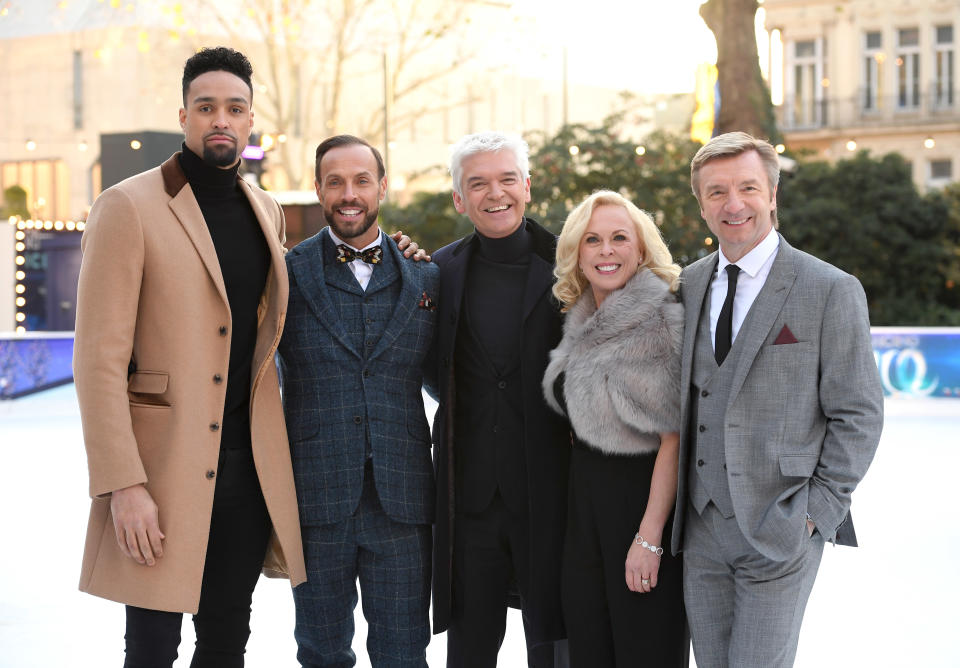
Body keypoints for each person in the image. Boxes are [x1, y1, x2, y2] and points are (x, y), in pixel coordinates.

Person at [73, 46, 307, 667]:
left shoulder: (266, 210)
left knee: (227, 644)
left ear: (251, 120)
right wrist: (124, 485)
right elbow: (97, 361)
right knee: (151, 650)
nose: (220, 120)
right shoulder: (128, 207)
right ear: (184, 116)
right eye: (207, 108)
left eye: (235, 108)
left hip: (247, 474)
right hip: (162, 474)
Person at [672, 131, 884, 667]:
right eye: (716, 192)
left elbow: (858, 412)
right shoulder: (689, 284)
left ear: (772, 195)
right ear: (701, 206)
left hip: (782, 524)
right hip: (699, 529)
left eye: (748, 187)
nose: (733, 203)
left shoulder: (829, 288)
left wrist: (816, 512)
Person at [277, 134, 439, 667]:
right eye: (336, 181)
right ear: (318, 189)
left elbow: (448, 377)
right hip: (315, 497)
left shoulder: (425, 276)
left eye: (362, 180)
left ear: (382, 187)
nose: (350, 193)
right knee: (321, 653)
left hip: (403, 499)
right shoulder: (284, 274)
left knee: (404, 654)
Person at [427, 131, 571, 667]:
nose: (496, 193)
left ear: (527, 186)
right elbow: (430, 366)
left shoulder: (573, 265)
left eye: (507, 179)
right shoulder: (439, 271)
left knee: (554, 649)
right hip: (469, 502)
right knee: (469, 652)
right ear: (460, 199)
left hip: (551, 495)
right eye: (478, 183)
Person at [541, 191, 688, 667]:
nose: (607, 250)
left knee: (644, 652)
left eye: (619, 238)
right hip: (582, 522)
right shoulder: (577, 322)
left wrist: (649, 540)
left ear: (641, 250)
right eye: (593, 240)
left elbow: (674, 441)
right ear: (577, 256)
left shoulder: (664, 323)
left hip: (641, 516)